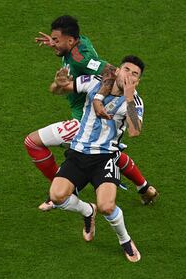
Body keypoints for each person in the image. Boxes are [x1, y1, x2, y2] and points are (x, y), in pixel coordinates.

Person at [24, 15, 158, 210]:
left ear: (71, 40)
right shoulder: (76, 43)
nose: (53, 43)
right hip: (93, 119)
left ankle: (61, 190)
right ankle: (145, 188)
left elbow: (112, 71)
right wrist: (56, 45)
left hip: (83, 120)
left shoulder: (81, 57)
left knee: (32, 142)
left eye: (56, 40)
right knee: (106, 151)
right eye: (52, 39)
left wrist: (98, 99)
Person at [49, 55, 146, 262]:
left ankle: (125, 240)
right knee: (57, 196)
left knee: (107, 206)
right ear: (118, 71)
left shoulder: (135, 101)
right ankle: (87, 210)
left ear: (138, 81)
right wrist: (58, 84)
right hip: (78, 153)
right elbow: (58, 90)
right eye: (126, 70)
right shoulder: (93, 82)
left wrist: (128, 97)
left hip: (105, 158)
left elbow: (135, 131)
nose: (129, 75)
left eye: (135, 74)